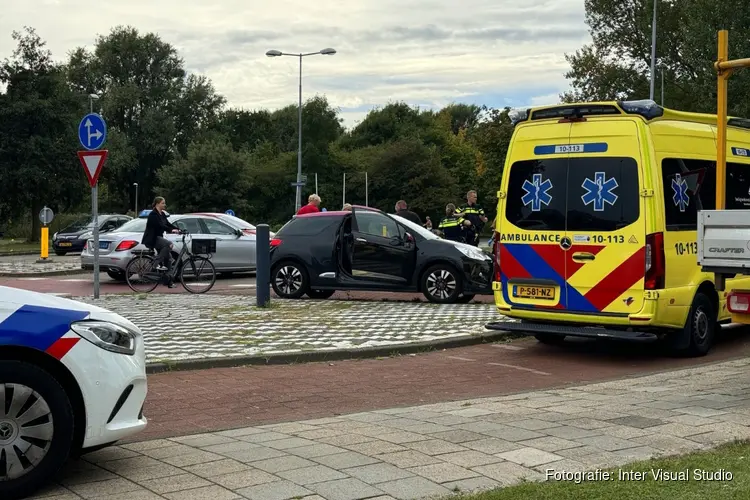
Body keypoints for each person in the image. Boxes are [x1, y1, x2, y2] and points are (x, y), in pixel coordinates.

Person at [142, 197, 180, 285]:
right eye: (163, 203)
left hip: (158, 237)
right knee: (169, 244)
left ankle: (167, 280)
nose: (164, 205)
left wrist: (178, 229)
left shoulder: (161, 214)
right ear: (157, 204)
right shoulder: (153, 215)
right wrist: (171, 230)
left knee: (169, 259)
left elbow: (167, 224)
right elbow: (161, 226)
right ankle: (156, 263)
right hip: (152, 238)